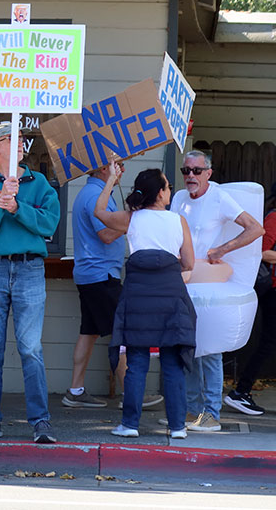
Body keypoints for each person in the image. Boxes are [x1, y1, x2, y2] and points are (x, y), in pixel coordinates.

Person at [0, 122, 60, 444]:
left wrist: (18, 207)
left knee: (31, 349)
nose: (19, 144)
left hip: (29, 268)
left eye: (21, 139)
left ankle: (40, 422)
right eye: (10, 139)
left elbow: (50, 223)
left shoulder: (40, 182)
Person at [95, 164, 196, 439]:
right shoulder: (178, 221)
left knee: (137, 361)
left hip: (138, 297)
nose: (170, 190)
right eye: (167, 186)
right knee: (172, 362)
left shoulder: (131, 218)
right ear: (160, 193)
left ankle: (129, 424)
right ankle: (177, 427)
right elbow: (189, 263)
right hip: (171, 298)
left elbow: (99, 212)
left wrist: (111, 180)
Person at [171, 149, 263, 432]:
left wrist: (222, 249)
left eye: (196, 171)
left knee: (210, 349)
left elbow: (255, 229)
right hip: (184, 280)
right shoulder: (178, 198)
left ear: (209, 173)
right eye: (186, 171)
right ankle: (191, 411)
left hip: (209, 281)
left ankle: (211, 413)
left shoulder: (220, 197)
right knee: (187, 348)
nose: (190, 176)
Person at [63, 162, 127, 408]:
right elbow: (106, 234)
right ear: (103, 169)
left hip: (93, 274)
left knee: (88, 332)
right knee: (122, 333)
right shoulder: (94, 196)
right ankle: (130, 394)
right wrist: (132, 220)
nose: (122, 170)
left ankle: (75, 390)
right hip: (101, 275)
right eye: (118, 166)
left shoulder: (95, 193)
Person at [225, 181, 276, 416]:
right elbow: (259, 251)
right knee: (268, 342)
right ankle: (240, 391)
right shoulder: (274, 217)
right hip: (273, 289)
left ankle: (241, 391)